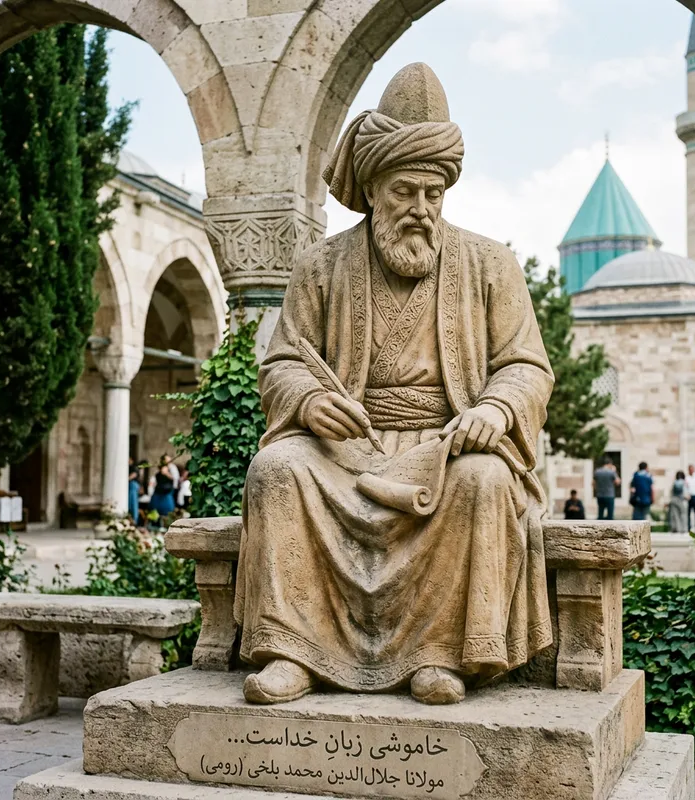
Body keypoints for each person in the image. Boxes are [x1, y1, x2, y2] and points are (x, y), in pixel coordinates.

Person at [235, 63, 555, 707]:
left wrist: (495, 408)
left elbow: (527, 366)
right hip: (345, 452)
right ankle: (293, 650)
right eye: (405, 192)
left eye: (433, 194)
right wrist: (309, 400)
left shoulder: (490, 263)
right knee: (276, 470)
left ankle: (442, 657)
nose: (420, 210)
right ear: (374, 190)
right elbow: (282, 363)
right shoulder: (321, 265)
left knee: (487, 481)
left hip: (447, 448)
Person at [128, 457, 141, 523]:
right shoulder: (127, 467)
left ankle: (134, 520)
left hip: (133, 486)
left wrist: (125, 479)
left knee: (133, 503)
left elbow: (134, 475)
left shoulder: (134, 467)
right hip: (130, 486)